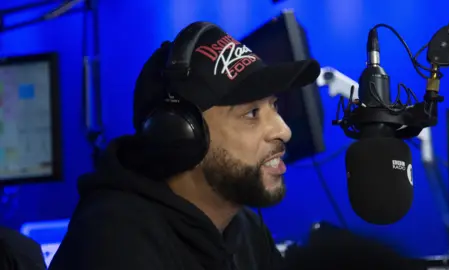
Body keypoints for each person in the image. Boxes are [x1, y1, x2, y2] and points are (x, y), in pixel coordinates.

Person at [49, 22, 320, 270]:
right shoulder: (112, 248)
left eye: (273, 105)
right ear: (179, 136)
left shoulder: (243, 228)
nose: (284, 131)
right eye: (251, 114)